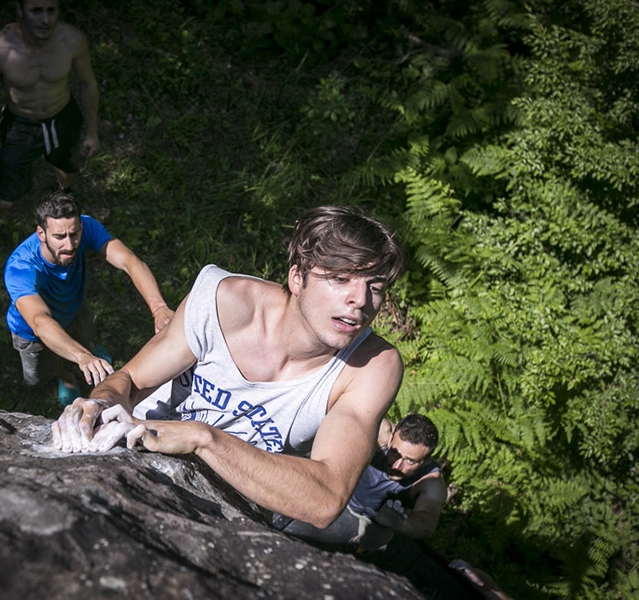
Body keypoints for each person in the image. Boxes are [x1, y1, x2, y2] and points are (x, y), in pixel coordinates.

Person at [52, 206, 406, 529]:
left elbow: (325, 498)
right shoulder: (225, 303)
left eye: (374, 287)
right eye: (341, 279)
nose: (360, 301)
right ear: (297, 277)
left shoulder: (371, 366)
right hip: (133, 452)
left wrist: (200, 437)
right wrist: (99, 403)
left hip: (229, 509)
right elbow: (129, 379)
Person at [0, 0, 100, 268]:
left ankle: (66, 192)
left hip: (63, 117)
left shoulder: (71, 40)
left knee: (66, 165)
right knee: (6, 196)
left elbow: (87, 83)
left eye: (52, 10)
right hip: (21, 126)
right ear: (20, 9)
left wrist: (92, 131)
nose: (45, 19)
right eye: (36, 10)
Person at [4, 192, 173, 404]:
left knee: (84, 334)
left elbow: (130, 261)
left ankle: (86, 348)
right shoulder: (20, 268)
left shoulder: (87, 227)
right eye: (59, 237)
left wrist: (158, 308)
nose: (69, 245)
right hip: (33, 334)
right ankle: (65, 377)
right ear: (41, 233)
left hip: (74, 307)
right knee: (43, 372)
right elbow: (39, 321)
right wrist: (81, 357)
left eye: (74, 234)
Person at [279, 413, 448, 552]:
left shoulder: (431, 482)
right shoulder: (379, 430)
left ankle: (360, 548)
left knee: (382, 532)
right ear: (390, 439)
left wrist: (401, 523)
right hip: (341, 489)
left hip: (370, 517)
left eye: (410, 461)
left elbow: (426, 523)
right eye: (395, 452)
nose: (396, 465)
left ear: (425, 461)